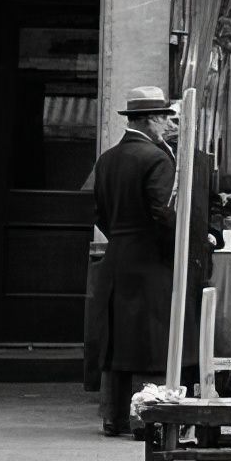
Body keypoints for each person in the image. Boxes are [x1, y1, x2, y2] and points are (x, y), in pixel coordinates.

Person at [92, 86, 197, 436]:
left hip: (118, 255)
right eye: (165, 117)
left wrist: (122, 238)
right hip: (150, 260)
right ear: (151, 119)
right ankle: (146, 419)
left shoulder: (107, 158)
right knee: (152, 341)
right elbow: (164, 215)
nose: (169, 123)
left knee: (118, 338)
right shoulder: (155, 158)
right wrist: (178, 251)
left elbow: (99, 214)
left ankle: (114, 415)